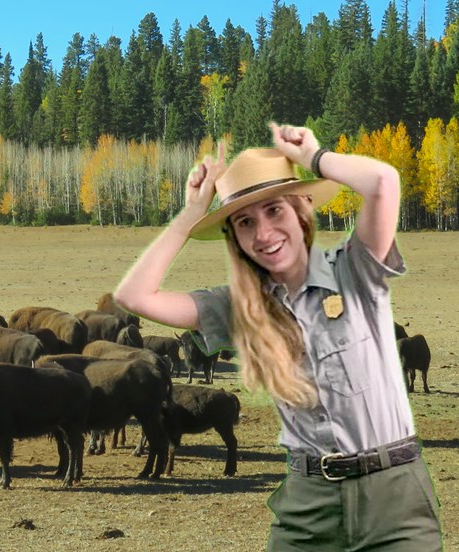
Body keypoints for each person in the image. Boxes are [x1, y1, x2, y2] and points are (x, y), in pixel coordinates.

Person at [114, 122, 442, 551]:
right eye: (245, 222)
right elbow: (134, 295)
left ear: (303, 207)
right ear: (234, 238)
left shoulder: (355, 269)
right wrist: (191, 215)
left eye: (275, 211)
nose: (263, 234)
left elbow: (383, 181)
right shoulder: (236, 307)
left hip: (394, 498)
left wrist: (314, 158)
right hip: (307, 501)